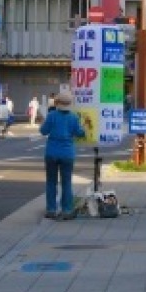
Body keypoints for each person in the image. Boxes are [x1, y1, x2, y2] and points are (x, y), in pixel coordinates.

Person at [39, 92, 85, 220]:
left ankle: (51, 210)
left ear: (57, 103)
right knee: (66, 182)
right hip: (67, 153)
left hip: (51, 153)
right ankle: (67, 210)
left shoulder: (52, 115)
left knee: (51, 182)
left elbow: (43, 131)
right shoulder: (74, 117)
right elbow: (80, 133)